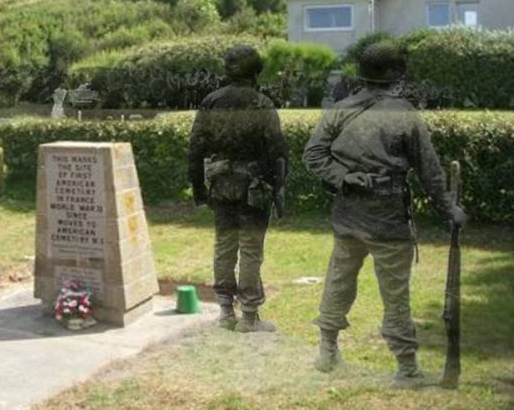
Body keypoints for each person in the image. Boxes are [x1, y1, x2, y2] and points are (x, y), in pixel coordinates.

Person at [303, 42, 467, 384]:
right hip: (387, 216)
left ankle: (327, 351)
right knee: (395, 293)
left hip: (348, 214)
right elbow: (430, 171)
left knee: (339, 281)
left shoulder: (341, 108)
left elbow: (314, 155)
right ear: (392, 74)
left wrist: (343, 177)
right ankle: (406, 366)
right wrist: (449, 209)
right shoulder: (402, 112)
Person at [188, 45, 287, 332]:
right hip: (253, 188)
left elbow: (195, 148)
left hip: (220, 186)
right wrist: (276, 185)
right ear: (256, 72)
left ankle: (225, 312)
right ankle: (249, 316)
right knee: (251, 250)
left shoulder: (211, 102)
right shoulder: (262, 104)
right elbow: (278, 152)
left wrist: (198, 187)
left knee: (224, 246)